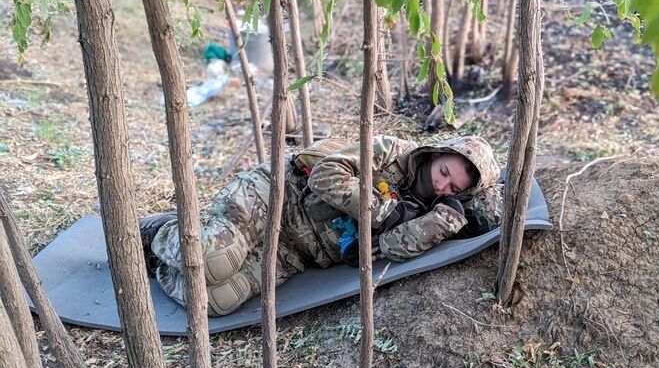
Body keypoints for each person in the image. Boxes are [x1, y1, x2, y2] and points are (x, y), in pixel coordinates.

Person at [140, 135, 505, 316]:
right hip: (275, 196)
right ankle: (163, 231)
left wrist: (440, 221)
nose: (442, 186)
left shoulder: (432, 212)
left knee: (215, 302)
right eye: (444, 172)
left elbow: (388, 248)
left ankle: (160, 263)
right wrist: (379, 210)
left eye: (453, 188)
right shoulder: (390, 150)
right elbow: (325, 175)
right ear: (436, 153)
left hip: (297, 250)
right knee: (214, 258)